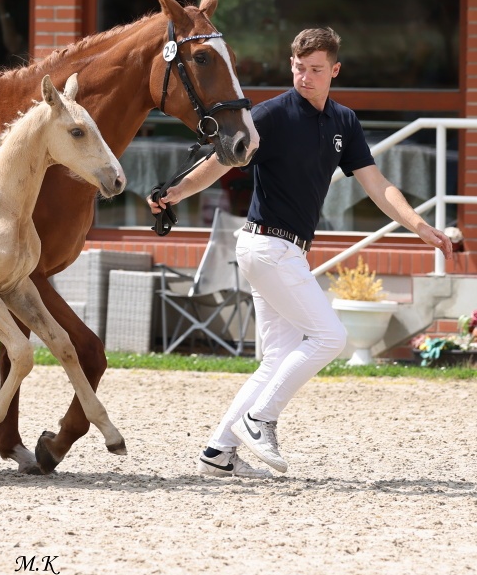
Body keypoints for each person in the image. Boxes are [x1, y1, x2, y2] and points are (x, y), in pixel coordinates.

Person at [148, 27, 454, 479]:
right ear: (292, 66)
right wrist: (174, 192)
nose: (305, 77)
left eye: (315, 70)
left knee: (277, 357)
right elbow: (217, 163)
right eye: (298, 68)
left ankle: (219, 451)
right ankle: (260, 419)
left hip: (285, 251)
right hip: (267, 245)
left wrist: (420, 226)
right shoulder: (269, 116)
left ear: (334, 70)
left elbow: (378, 185)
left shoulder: (344, 123)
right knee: (330, 337)